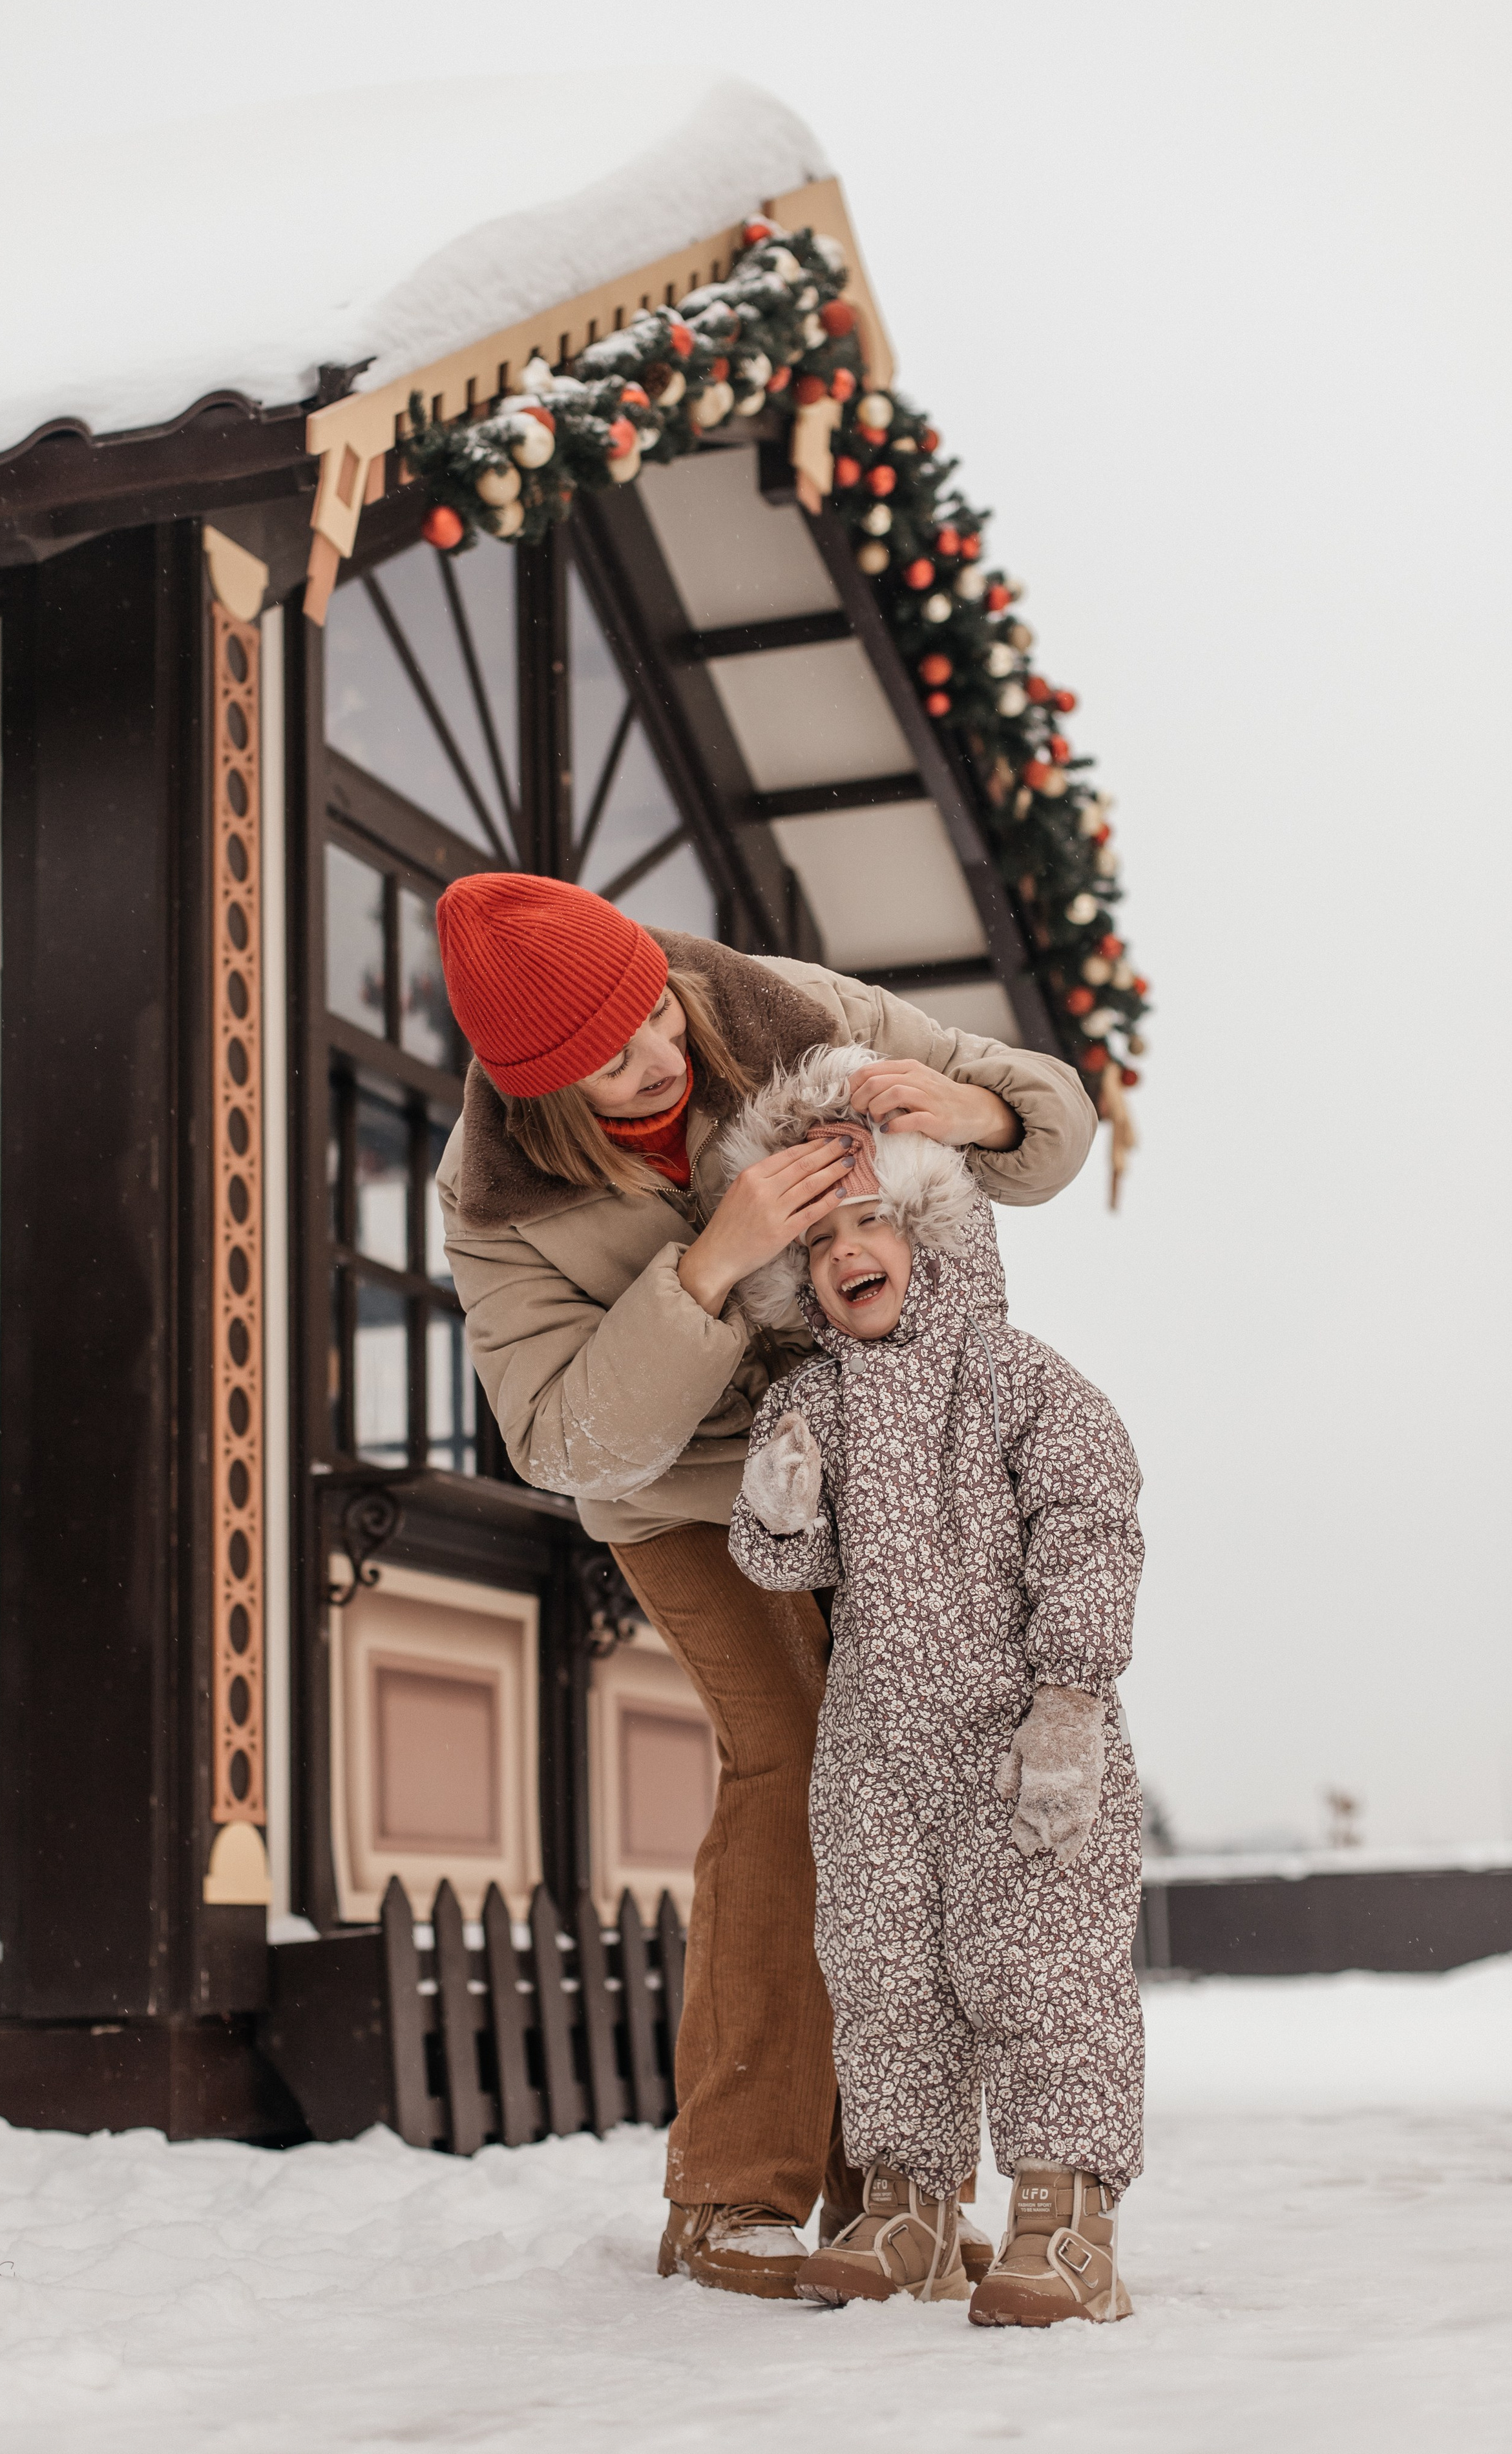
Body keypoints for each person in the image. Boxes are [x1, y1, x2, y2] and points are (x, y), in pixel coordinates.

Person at [432, 870, 1097, 2300]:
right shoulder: (496, 1205)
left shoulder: (786, 1010)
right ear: (539, 1096)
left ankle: (892, 2191)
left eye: (653, 1016)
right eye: (613, 1065)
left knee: (920, 1768)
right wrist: (710, 1263)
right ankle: (729, 2194)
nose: (662, 1057)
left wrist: (978, 1116)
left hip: (877, 1462)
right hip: (680, 1497)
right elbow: (565, 1442)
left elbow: (1046, 1121)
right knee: (798, 1758)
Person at [726, 1043, 1143, 2323]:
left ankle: (1062, 2221)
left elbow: (1090, 1514)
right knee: (883, 1973)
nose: (845, 1251)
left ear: (929, 1230)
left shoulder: (1020, 1383)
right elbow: (782, 1557)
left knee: (1039, 1973)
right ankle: (904, 2205)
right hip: (874, 1744)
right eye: (817, 1241)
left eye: (871, 1221)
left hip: (1017, 1731)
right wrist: (777, 1505)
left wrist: (1071, 1692)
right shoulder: (811, 1398)